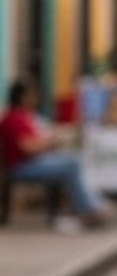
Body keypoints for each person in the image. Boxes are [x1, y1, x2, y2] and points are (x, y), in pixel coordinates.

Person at [0, 80, 109, 227]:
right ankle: (89, 209)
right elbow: (28, 147)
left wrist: (53, 138)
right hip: (22, 167)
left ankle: (91, 205)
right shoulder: (14, 118)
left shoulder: (27, 116)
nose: (36, 97)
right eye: (32, 94)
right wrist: (54, 140)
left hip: (34, 162)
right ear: (23, 96)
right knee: (72, 164)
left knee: (74, 160)